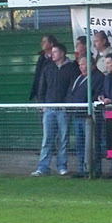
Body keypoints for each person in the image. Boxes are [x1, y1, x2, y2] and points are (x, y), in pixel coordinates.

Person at [32, 43, 79, 177]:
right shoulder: (48, 68)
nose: (53, 55)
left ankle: (62, 166)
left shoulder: (71, 69)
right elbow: (42, 87)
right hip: (49, 108)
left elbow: (72, 89)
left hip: (63, 109)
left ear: (63, 53)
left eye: (55, 52)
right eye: (52, 52)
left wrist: (67, 104)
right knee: (47, 139)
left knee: (63, 139)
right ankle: (43, 167)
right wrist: (42, 104)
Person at [66, 56, 104, 178]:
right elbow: (71, 93)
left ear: (91, 65)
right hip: (78, 115)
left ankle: (95, 169)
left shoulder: (98, 77)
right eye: (79, 65)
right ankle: (82, 169)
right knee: (80, 143)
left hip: (90, 116)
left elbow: (96, 94)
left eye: (82, 64)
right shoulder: (79, 78)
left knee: (93, 143)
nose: (80, 67)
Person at [29, 34, 57, 101]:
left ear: (51, 44)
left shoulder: (56, 59)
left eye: (44, 42)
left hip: (50, 95)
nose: (41, 44)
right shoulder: (41, 58)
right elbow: (37, 76)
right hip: (39, 93)